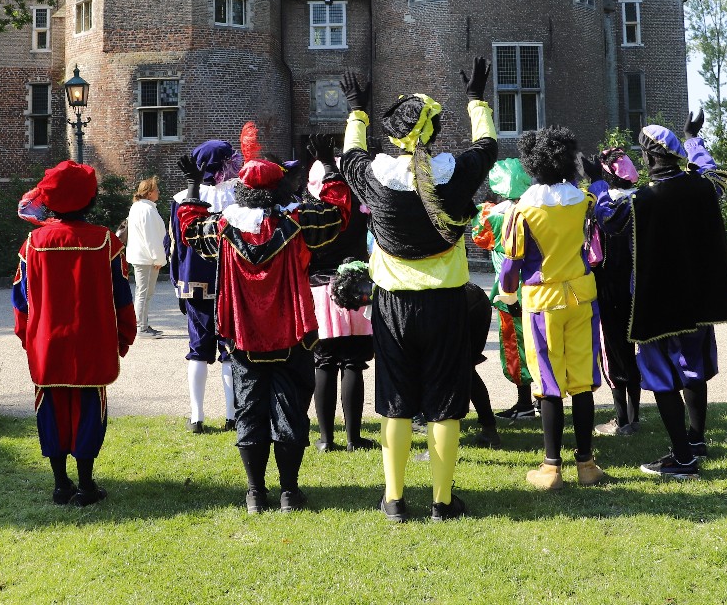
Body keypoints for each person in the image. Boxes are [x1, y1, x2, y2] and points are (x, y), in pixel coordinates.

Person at [336, 58, 498, 523]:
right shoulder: (455, 172)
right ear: (434, 132)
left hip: (392, 304)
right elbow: (487, 145)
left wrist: (357, 110)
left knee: (396, 402)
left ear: (393, 134)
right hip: (446, 301)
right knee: (445, 404)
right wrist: (476, 100)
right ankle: (443, 502)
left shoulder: (374, 176)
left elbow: (349, 154)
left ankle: (393, 500)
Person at [175, 137, 352, 514]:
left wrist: (193, 185)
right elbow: (338, 212)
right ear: (278, 189)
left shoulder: (224, 226)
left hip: (243, 338)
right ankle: (289, 492)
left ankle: (255, 493)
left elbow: (189, 226)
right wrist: (326, 163)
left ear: (242, 190)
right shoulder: (298, 222)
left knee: (250, 411)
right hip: (292, 337)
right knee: (291, 410)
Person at [591, 111, 727, 480]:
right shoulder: (702, 186)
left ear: (648, 157)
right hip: (697, 299)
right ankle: (696, 440)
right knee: (693, 368)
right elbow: (712, 171)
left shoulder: (640, 200)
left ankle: (683, 459)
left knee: (661, 377)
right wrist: (692, 138)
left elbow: (607, 218)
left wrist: (597, 182)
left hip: (656, 302)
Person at [12, 160, 135, 507]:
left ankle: (60, 485)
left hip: (47, 343)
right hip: (91, 343)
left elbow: (20, 301)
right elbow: (122, 297)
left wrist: (28, 338)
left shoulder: (32, 244)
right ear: (90, 199)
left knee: (51, 410)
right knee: (88, 410)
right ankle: (85, 485)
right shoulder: (106, 242)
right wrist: (123, 336)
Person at [496, 126, 603, 490]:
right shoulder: (583, 200)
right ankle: (587, 464)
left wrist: (507, 293)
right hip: (582, 296)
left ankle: (551, 467)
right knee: (583, 381)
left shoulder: (523, 210)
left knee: (548, 383)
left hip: (543, 302)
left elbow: (511, 265)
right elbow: (597, 227)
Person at [303, 141, 377, 453]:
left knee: (324, 362)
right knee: (353, 362)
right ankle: (353, 438)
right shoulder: (360, 204)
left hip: (320, 287)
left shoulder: (311, 212)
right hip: (357, 285)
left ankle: (325, 438)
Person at [169, 138, 242, 433]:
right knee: (229, 349)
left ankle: (197, 417)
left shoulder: (181, 200)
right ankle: (232, 415)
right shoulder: (238, 196)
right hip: (230, 281)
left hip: (195, 282)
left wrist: (178, 282)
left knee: (197, 349)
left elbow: (175, 245)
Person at [470, 159, 536, 423]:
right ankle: (543, 398)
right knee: (541, 344)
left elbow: (480, 238)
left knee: (516, 347)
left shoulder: (491, 216)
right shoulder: (538, 210)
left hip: (509, 291)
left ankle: (524, 403)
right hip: (538, 287)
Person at [591, 148, 642, 435]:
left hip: (610, 288)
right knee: (634, 349)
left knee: (613, 351)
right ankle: (634, 416)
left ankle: (623, 420)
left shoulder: (604, 204)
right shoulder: (642, 200)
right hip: (639, 287)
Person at [126, 177, 168, 337]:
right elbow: (152, 238)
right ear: (149, 193)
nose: (159, 192)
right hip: (147, 257)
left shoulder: (138, 207)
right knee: (144, 293)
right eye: (156, 190)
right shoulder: (147, 210)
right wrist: (158, 259)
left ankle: (142, 325)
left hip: (141, 256)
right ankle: (141, 327)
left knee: (143, 293)